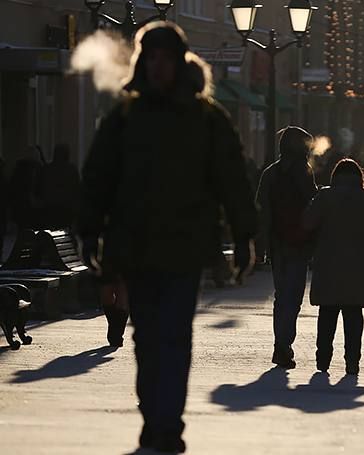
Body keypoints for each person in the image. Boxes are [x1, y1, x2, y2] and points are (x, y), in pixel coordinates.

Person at [77, 22, 257, 453]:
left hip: (184, 247)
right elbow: (98, 179)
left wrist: (246, 235)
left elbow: (231, 180)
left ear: (180, 62)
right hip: (135, 247)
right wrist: (89, 233)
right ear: (144, 62)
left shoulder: (207, 118)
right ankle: (154, 416)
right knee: (147, 338)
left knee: (174, 336)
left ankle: (167, 423)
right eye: (152, 58)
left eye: (167, 58)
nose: (159, 67)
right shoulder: (124, 116)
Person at [302, 159, 364, 375]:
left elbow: (308, 222)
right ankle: (352, 361)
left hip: (328, 262)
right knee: (353, 314)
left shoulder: (324, 196)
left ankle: (323, 359)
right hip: (358, 264)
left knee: (327, 313)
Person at [256, 126, 317, 369]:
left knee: (282, 296)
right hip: (298, 243)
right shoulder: (304, 171)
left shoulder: (270, 173)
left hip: (277, 243)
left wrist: (262, 244)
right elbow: (312, 204)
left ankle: (280, 344)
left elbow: (261, 211)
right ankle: (284, 345)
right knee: (293, 297)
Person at [41, 143, 81, 229]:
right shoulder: (71, 170)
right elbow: (77, 189)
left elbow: (40, 188)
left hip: (50, 207)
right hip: (66, 208)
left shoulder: (47, 169)